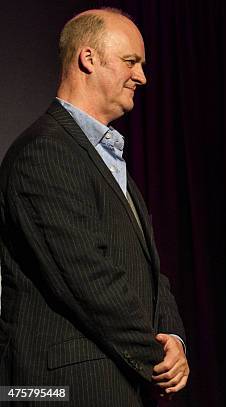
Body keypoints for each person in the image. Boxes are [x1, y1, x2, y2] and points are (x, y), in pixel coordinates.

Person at [0, 8, 189, 406]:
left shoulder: (105, 157)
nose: (142, 76)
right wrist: (157, 357)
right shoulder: (45, 152)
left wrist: (173, 337)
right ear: (88, 58)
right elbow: (88, 278)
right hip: (64, 389)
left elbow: (149, 267)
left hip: (113, 378)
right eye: (130, 61)